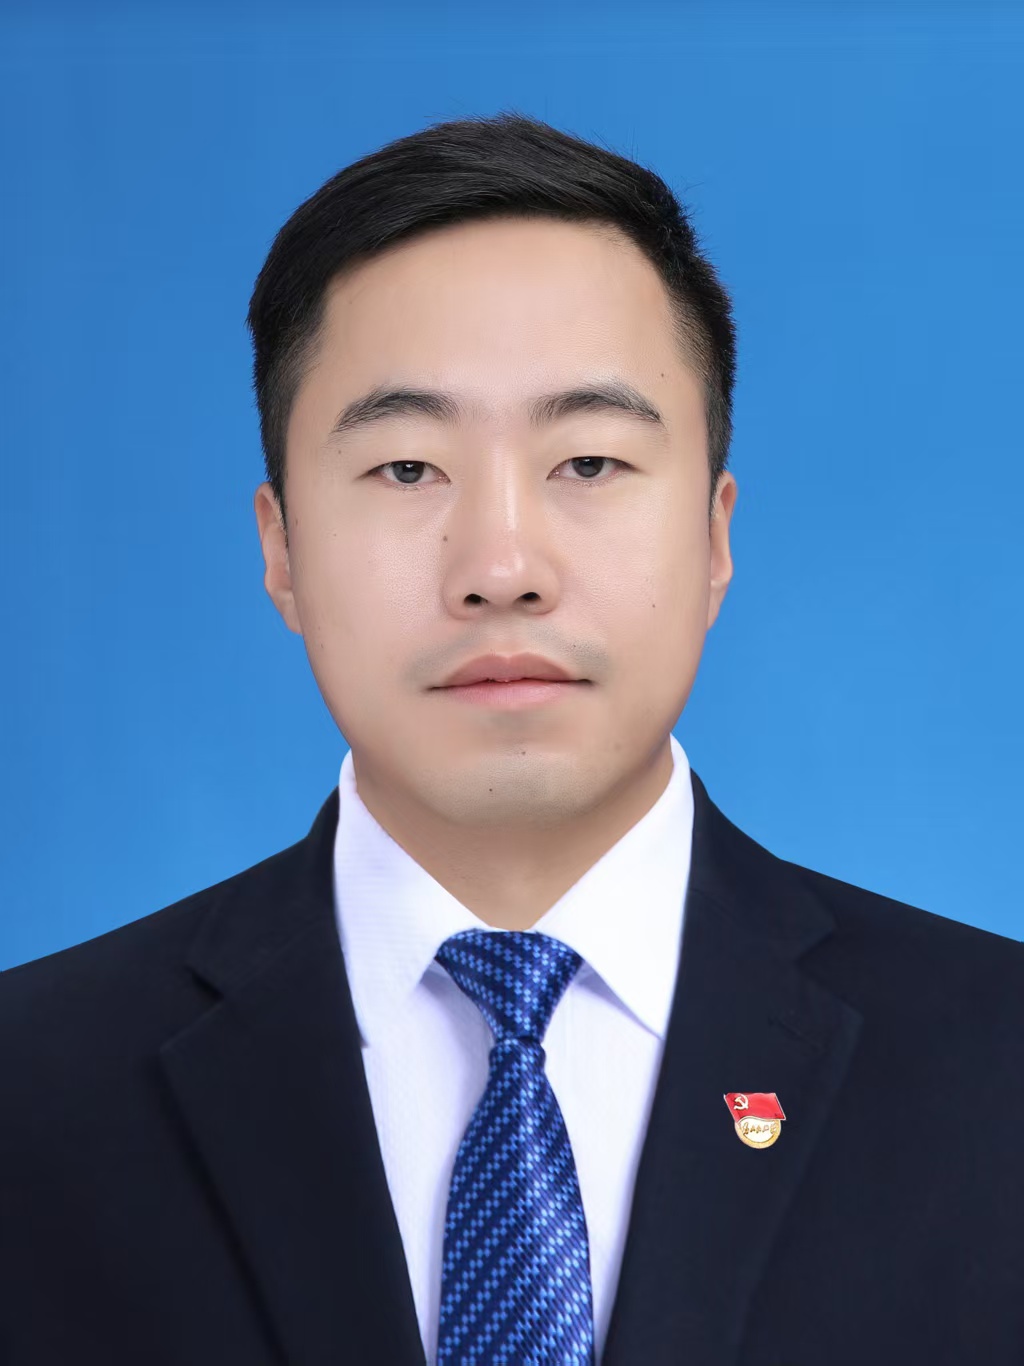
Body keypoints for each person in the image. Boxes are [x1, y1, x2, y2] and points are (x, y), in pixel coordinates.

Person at [1, 112, 1021, 1366]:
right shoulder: (33, 1091)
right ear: (280, 548)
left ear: (714, 535)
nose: (500, 566)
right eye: (405, 469)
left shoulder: (997, 1071)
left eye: (587, 461)